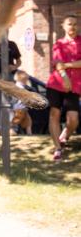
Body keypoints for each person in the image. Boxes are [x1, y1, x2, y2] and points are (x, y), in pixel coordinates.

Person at [46, 15, 80, 161]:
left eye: (75, 24)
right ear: (63, 26)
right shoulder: (58, 44)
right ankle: (58, 148)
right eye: (69, 24)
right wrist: (65, 77)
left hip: (76, 85)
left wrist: (67, 65)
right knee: (54, 114)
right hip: (56, 83)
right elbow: (58, 63)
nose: (72, 27)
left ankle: (64, 135)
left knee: (73, 119)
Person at [11, 70, 33, 136]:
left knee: (28, 120)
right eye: (26, 79)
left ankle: (29, 132)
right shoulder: (18, 87)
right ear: (21, 78)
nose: (26, 81)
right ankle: (12, 131)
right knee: (16, 120)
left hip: (23, 107)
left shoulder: (22, 86)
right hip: (19, 107)